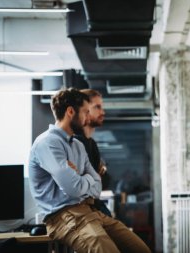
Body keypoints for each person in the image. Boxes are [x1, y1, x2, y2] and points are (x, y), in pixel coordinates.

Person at [28, 88, 151, 253]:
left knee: (140, 249)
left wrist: (79, 176)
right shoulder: (48, 143)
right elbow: (73, 189)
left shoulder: (78, 145)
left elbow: (97, 188)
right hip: (64, 217)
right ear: (71, 112)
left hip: (89, 210)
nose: (88, 117)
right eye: (85, 112)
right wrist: (85, 178)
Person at [75, 89, 112, 217]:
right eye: (97, 107)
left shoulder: (92, 144)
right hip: (83, 211)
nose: (103, 112)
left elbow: (104, 182)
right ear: (84, 109)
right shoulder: (75, 143)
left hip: (95, 206)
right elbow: (84, 185)